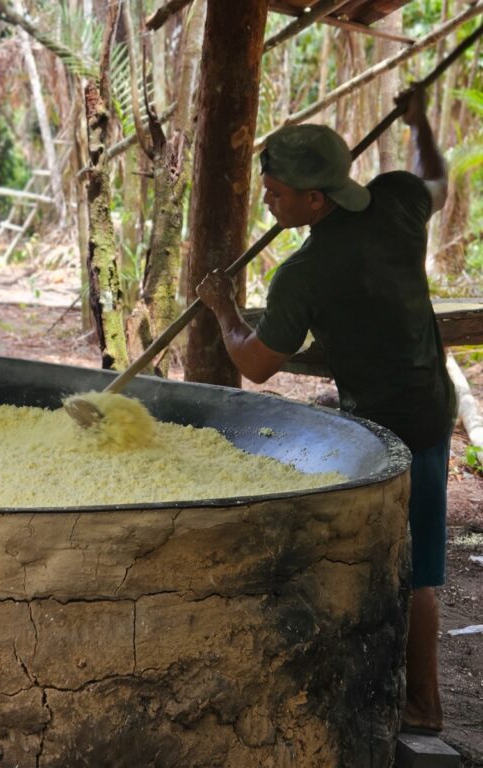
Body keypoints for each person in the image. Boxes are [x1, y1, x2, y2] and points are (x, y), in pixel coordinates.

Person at [195, 86, 455, 736]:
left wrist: (223, 308)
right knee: (403, 560)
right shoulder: (397, 201)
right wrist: (421, 124)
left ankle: (424, 706)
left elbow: (255, 364)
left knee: (413, 573)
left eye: (277, 194)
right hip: (427, 403)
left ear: (316, 199)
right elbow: (438, 181)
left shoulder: (304, 274)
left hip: (394, 425)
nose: (268, 202)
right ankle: (384, 679)